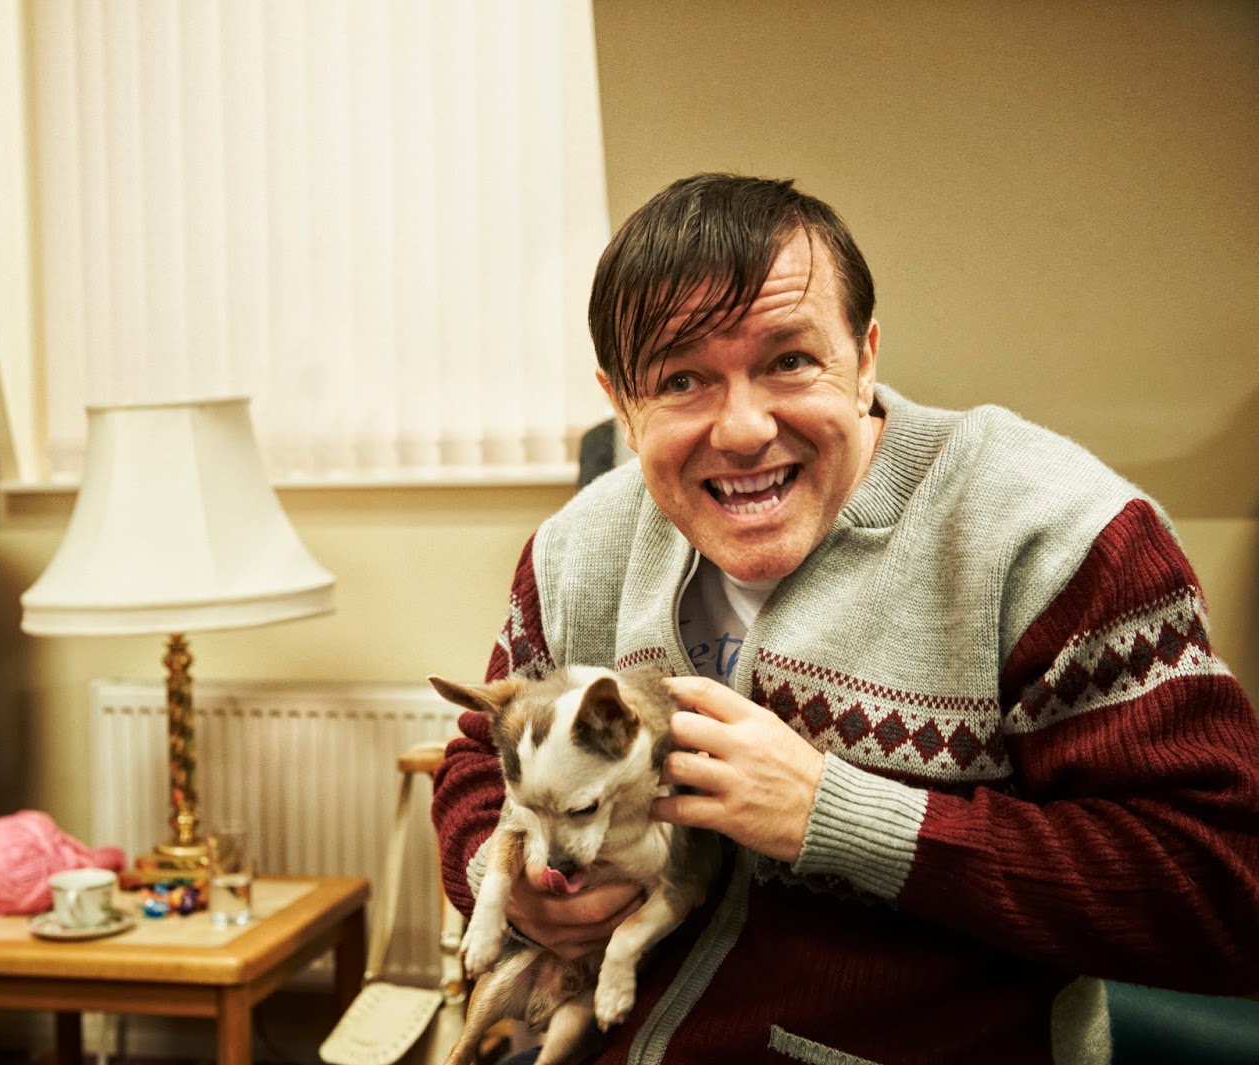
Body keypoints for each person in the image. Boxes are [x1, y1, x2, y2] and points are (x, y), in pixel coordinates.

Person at [431, 173, 1259, 1064]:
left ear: (865, 358)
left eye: (789, 360)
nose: (742, 429)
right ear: (622, 404)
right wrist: (510, 884)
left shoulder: (1054, 539)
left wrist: (837, 815)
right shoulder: (574, 549)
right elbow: (476, 760)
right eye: (681, 378)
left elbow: (1225, 886)